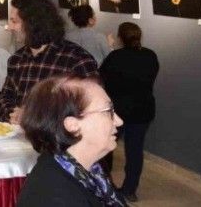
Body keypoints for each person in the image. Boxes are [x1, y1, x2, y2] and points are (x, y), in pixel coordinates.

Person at [17, 76, 126, 207]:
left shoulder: (90, 168)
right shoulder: (55, 197)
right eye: (108, 111)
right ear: (72, 125)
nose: (119, 121)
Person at [0, 0, 99, 124]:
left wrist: (32, 118)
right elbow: (5, 97)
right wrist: (12, 114)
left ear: (33, 23)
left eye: (14, 21)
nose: (9, 27)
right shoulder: (16, 59)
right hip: (18, 141)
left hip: (60, 143)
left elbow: (92, 110)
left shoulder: (77, 60)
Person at [100, 22, 159, 202]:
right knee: (135, 151)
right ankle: (130, 190)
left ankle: (104, 185)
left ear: (120, 37)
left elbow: (103, 79)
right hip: (143, 109)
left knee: (105, 148)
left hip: (118, 111)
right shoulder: (150, 55)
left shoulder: (116, 57)